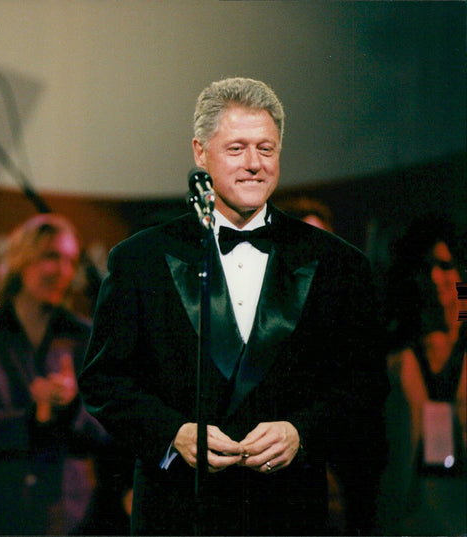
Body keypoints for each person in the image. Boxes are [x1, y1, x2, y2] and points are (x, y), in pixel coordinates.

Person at [78, 77, 388, 535]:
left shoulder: (338, 264)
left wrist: (302, 433)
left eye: (266, 148)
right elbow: (105, 381)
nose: (254, 164)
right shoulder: (140, 259)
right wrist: (173, 434)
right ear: (200, 153)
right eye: (236, 148)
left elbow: (364, 386)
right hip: (178, 514)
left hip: (288, 515)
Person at [0, 213, 111, 535]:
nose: (63, 271)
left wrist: (72, 404)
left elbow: (106, 430)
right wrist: (36, 417)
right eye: (51, 256)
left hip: (69, 513)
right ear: (22, 259)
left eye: (70, 261)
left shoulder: (85, 336)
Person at [378, 216, 466, 535]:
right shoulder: (394, 360)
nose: (433, 277)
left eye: (444, 265)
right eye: (423, 266)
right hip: (411, 521)